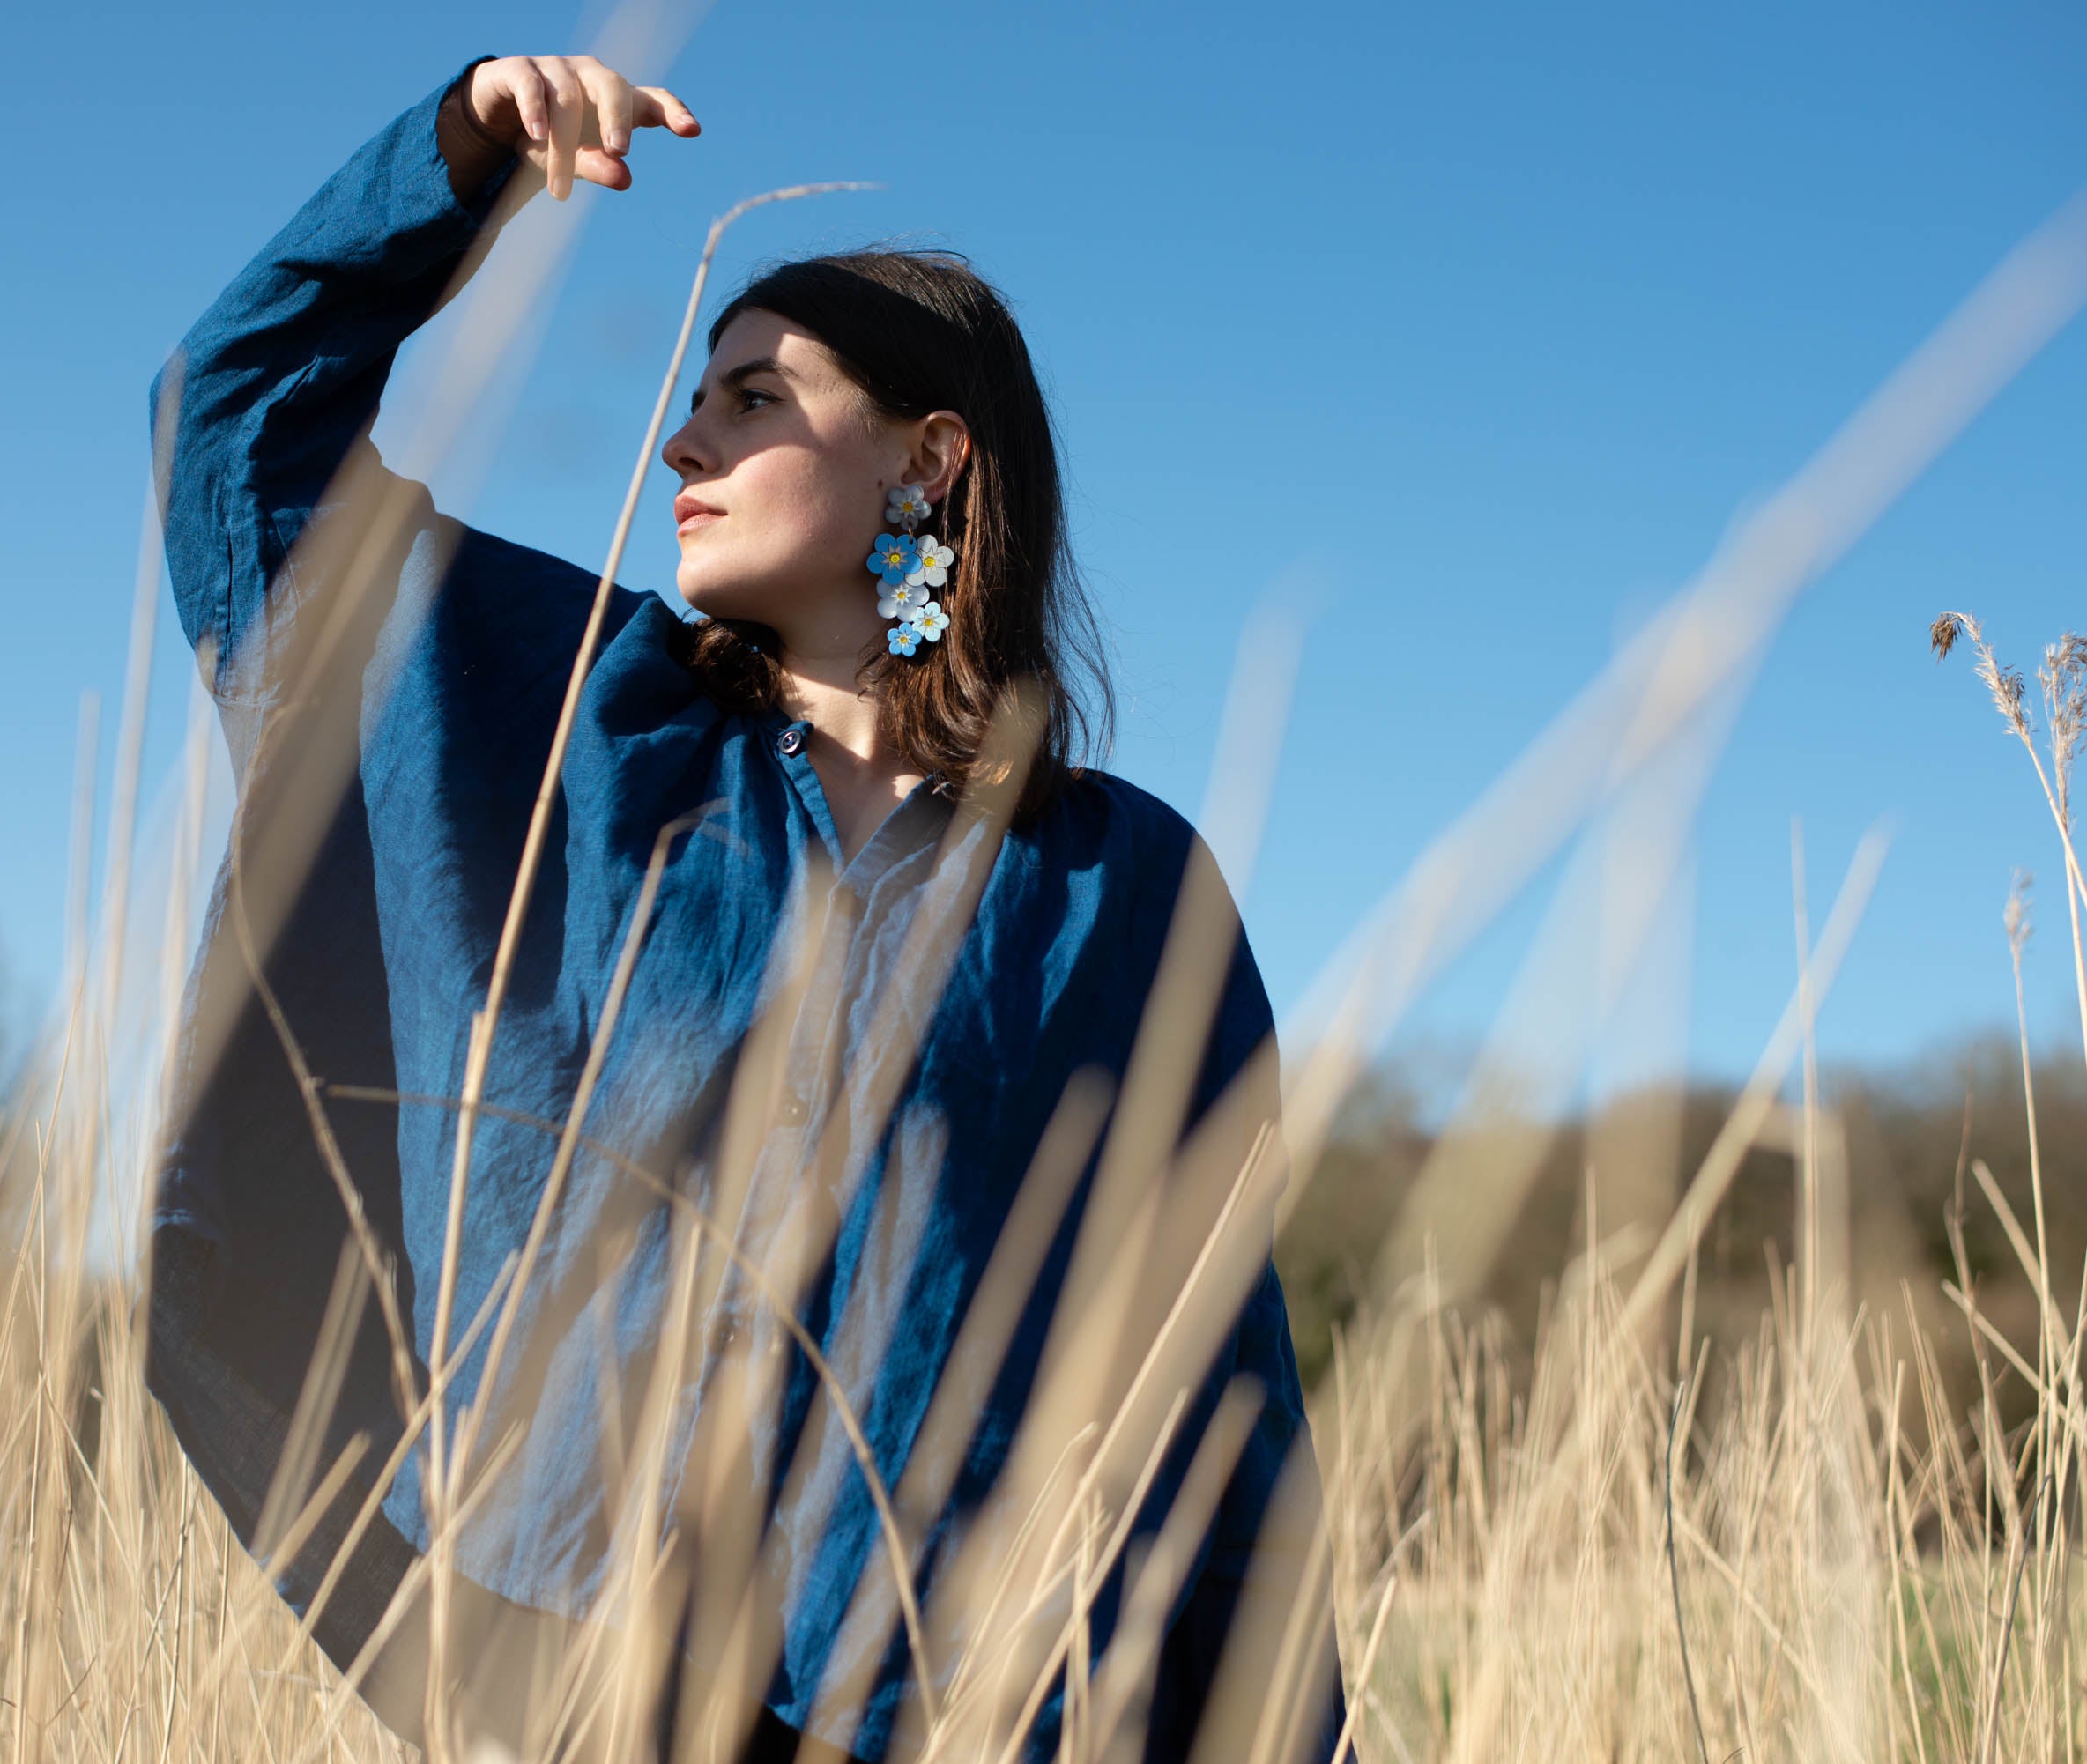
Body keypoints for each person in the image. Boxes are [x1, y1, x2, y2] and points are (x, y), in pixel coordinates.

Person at [142, 50, 1346, 1764]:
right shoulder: (555, 716)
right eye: (692, 399)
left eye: (752, 397)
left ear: (928, 462)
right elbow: (231, 432)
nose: (679, 441)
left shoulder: (1126, 888)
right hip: (555, 1669)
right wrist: (463, 147)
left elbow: (1221, 1378)